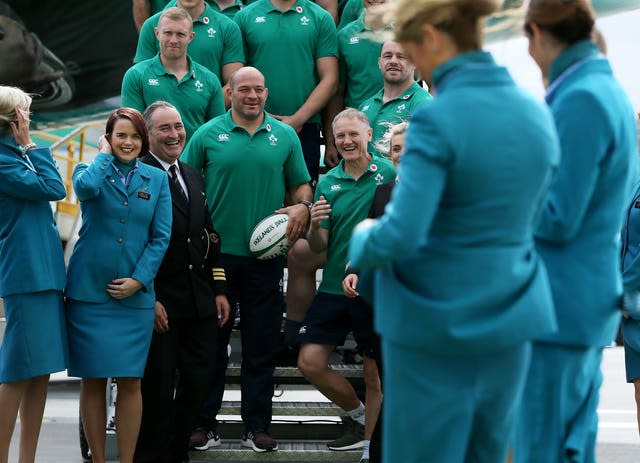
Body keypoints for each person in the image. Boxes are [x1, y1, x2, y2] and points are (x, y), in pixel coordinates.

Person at [347, 1, 562, 462]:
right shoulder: (534, 111)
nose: (411, 59)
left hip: (441, 322)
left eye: (412, 46)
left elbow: (398, 237)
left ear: (434, 37)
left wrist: (362, 236)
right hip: (516, 312)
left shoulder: (436, 118)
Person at [513, 1, 638, 461]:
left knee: (543, 447)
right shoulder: (598, 86)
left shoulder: (581, 95)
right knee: (568, 445)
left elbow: (557, 215)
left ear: (538, 32)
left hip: (559, 302)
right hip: (577, 297)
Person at [181, 66, 313, 453]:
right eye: (244, 89)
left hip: (265, 260)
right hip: (216, 259)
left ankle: (257, 426)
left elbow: (301, 184)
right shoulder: (207, 135)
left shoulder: (285, 136)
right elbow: (186, 183)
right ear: (229, 93)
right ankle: (204, 424)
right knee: (211, 346)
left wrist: (301, 206)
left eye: (258, 89)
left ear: (266, 93)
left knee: (260, 346)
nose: (251, 96)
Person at [65, 107, 172, 463]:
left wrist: (139, 281)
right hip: (89, 293)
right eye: (120, 135)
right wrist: (101, 156)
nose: (128, 142)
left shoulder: (157, 180)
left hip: (134, 298)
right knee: (93, 380)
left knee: (130, 382)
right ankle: (97, 459)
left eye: (135, 136)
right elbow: (84, 189)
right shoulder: (89, 169)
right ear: (108, 139)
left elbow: (161, 238)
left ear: (144, 141)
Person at [133, 101, 231, 463]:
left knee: (199, 378)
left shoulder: (191, 174)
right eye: (164, 128)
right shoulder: (138, 175)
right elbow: (132, 245)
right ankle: (150, 456)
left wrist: (219, 288)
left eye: (177, 126)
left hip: (198, 298)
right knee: (157, 387)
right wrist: (149, 296)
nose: (174, 134)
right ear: (148, 135)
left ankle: (176, 452)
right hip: (160, 302)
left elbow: (208, 234)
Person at [297, 108, 395, 460]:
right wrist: (313, 226)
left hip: (372, 289)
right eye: (340, 136)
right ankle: (359, 417)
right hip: (335, 286)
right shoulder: (328, 180)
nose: (347, 141)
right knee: (309, 361)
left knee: (374, 375)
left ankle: (371, 448)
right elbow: (320, 246)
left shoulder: (388, 171)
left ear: (369, 134)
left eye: (354, 134)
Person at [0, 86, 68, 463]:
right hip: (25, 275)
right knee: (16, 372)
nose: (30, 120)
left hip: (44, 273)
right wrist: (30, 146)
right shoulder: (6, 160)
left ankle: (27, 458)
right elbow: (53, 188)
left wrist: (26, 149)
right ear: (14, 122)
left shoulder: (14, 157)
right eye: (25, 114)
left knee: (40, 371)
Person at [342, 121, 406, 463]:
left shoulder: (440, 192)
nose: (402, 154)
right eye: (396, 149)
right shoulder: (382, 193)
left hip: (421, 312)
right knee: (393, 387)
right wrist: (353, 271)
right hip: (385, 309)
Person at [234, 0, 338, 187]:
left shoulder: (320, 17)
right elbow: (237, 78)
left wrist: (297, 120)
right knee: (258, 196)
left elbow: (330, 80)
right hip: (254, 128)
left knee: (301, 201)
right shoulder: (244, 17)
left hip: (305, 129)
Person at [122, 7, 225, 140]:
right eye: (168, 33)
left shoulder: (210, 80)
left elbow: (216, 135)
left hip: (195, 161)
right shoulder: (136, 76)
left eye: (180, 34)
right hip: (150, 160)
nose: (173, 40)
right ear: (157, 33)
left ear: (191, 37)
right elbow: (133, 130)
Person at [135, 0, 245, 88]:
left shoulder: (228, 27)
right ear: (157, 32)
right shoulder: (151, 25)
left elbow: (233, 84)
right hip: (161, 112)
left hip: (209, 113)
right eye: (168, 33)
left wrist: (206, 106)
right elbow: (140, 80)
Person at [360, 40, 431, 156]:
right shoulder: (365, 107)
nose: (393, 61)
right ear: (379, 62)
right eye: (388, 56)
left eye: (401, 57)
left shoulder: (424, 105)